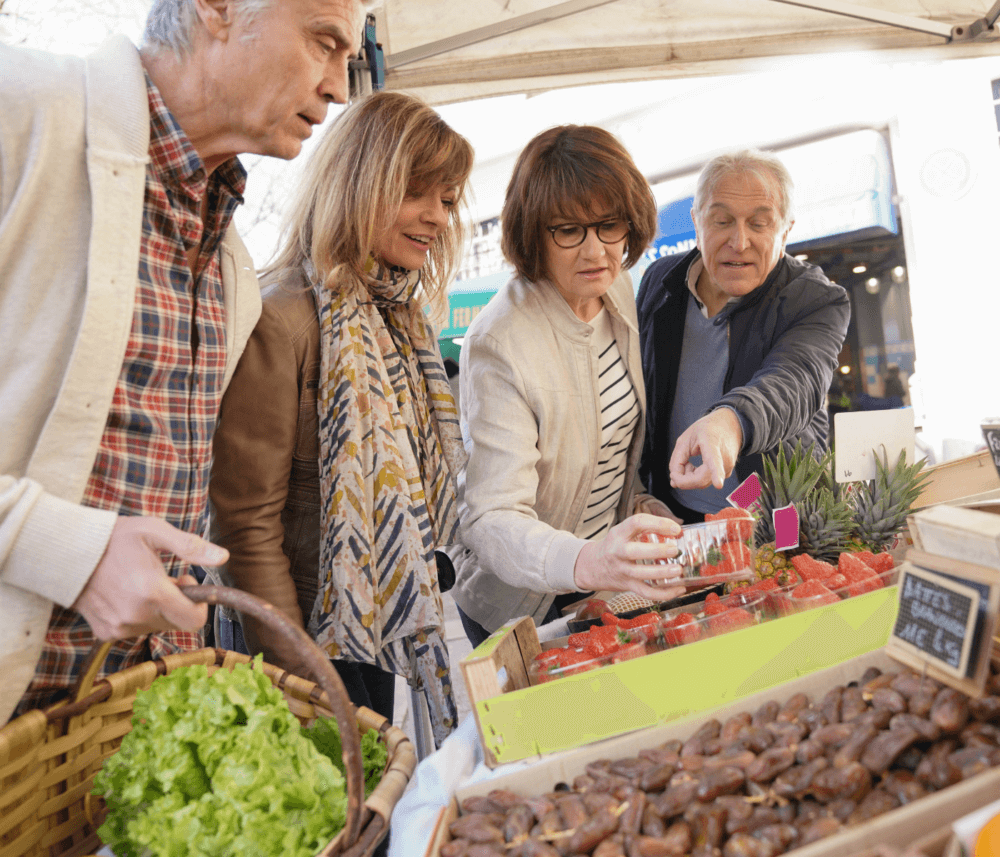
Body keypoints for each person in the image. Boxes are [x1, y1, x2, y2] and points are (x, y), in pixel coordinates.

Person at [0, 0, 365, 724]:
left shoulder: (231, 266)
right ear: (219, 8)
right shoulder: (21, 114)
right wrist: (65, 549)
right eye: (324, 42)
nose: (339, 86)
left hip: (102, 753)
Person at [209, 91, 473, 746]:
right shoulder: (283, 317)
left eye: (447, 199)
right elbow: (246, 527)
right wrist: (308, 674)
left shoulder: (397, 315)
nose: (437, 217)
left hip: (376, 635)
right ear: (363, 181)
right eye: (420, 193)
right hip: (303, 645)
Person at [449, 125, 685, 649]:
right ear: (533, 232)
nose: (595, 250)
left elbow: (604, 441)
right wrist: (588, 560)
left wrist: (638, 507)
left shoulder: (617, 287)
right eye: (568, 230)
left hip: (601, 583)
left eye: (608, 225)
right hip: (520, 603)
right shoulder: (499, 341)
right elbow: (492, 517)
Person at [636, 149, 851, 524]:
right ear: (697, 222)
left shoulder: (815, 299)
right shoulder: (661, 282)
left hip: (776, 508)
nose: (739, 241)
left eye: (759, 223)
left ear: (786, 229)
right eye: (721, 221)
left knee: (785, 575)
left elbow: (794, 379)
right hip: (677, 512)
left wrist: (730, 422)